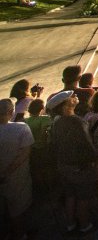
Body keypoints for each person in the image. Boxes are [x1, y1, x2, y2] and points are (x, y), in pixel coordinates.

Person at [49, 91, 97, 234]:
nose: (75, 96)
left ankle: (70, 224)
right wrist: (94, 160)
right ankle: (85, 225)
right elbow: (87, 144)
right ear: (65, 105)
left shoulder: (56, 122)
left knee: (70, 195)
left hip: (64, 166)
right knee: (83, 197)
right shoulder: (77, 121)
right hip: (79, 167)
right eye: (72, 97)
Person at [0, 98, 35, 239]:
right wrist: (6, 173)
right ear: (11, 112)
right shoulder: (21, 128)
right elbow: (24, 154)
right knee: (17, 210)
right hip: (16, 177)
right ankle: (20, 235)